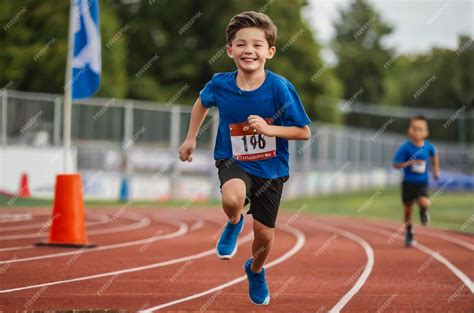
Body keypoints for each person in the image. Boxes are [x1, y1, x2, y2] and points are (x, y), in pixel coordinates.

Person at [178, 11, 311, 305]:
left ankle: (255, 270)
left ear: (270, 52)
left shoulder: (279, 87)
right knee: (231, 198)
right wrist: (191, 137)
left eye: (257, 45)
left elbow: (303, 132)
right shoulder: (220, 84)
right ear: (230, 50)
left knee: (263, 237)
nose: (248, 50)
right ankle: (234, 221)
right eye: (240, 44)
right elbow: (201, 102)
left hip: (271, 169)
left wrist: (268, 128)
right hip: (233, 159)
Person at [393, 115, 439, 247]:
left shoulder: (428, 147)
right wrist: (409, 162)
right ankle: (409, 233)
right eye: (414, 128)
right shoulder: (405, 148)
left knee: (424, 202)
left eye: (420, 129)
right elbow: (396, 164)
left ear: (426, 132)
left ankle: (423, 211)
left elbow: (435, 155)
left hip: (421, 182)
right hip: (408, 183)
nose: (417, 132)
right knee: (408, 210)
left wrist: (436, 170)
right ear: (409, 131)